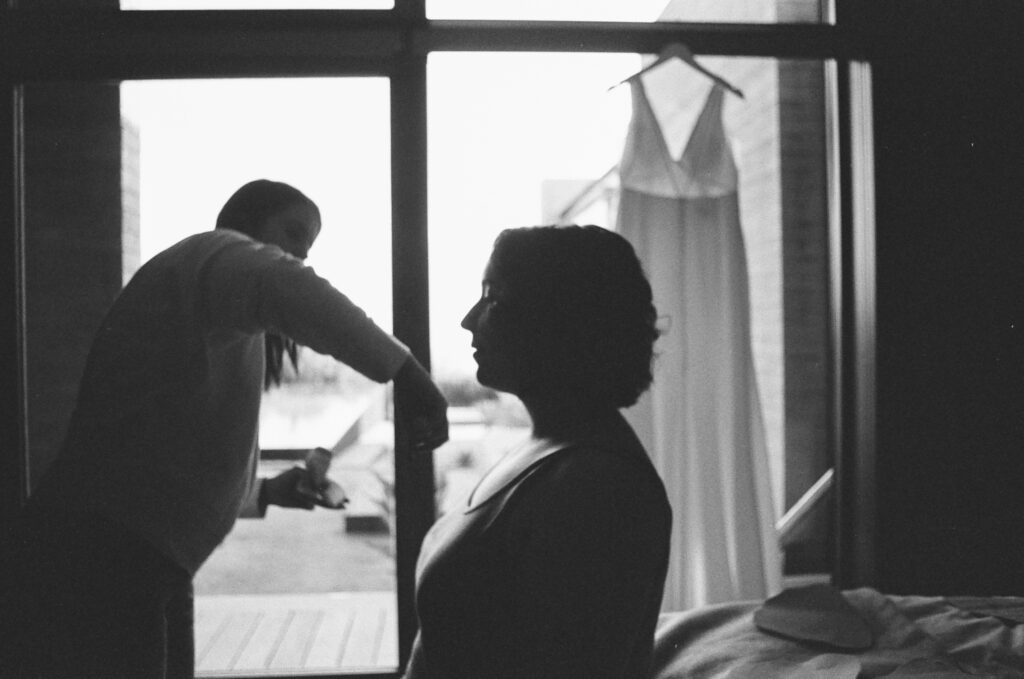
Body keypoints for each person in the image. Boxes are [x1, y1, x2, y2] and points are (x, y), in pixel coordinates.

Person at [0, 179, 449, 678]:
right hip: (102, 558)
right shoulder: (214, 253)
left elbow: (171, 459)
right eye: (294, 232)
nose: (301, 253)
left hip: (131, 558)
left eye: (310, 244)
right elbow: (282, 282)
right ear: (246, 223)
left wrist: (264, 493)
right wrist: (406, 373)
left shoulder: (212, 315)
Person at [405, 225, 672, 679]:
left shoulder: (598, 487)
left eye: (493, 297)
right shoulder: (545, 448)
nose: (469, 319)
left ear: (559, 318)